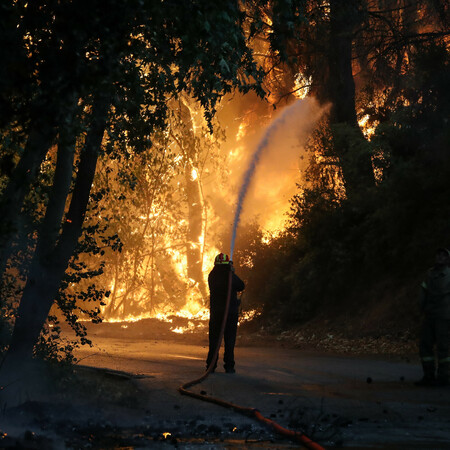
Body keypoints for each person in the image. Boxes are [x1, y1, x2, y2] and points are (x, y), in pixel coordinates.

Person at [415, 247, 450, 387]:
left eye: (444, 255)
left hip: (444, 316)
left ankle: (443, 377)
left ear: (448, 259)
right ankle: (428, 375)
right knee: (425, 345)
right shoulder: (429, 274)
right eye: (438, 255)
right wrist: (420, 308)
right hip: (429, 315)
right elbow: (423, 292)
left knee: (443, 346)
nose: (440, 257)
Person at [206, 253, 245, 374]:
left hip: (217, 314)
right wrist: (232, 272)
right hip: (230, 314)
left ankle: (210, 366)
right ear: (227, 264)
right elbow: (241, 286)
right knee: (230, 341)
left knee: (214, 341)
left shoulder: (212, 276)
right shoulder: (230, 276)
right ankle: (229, 366)